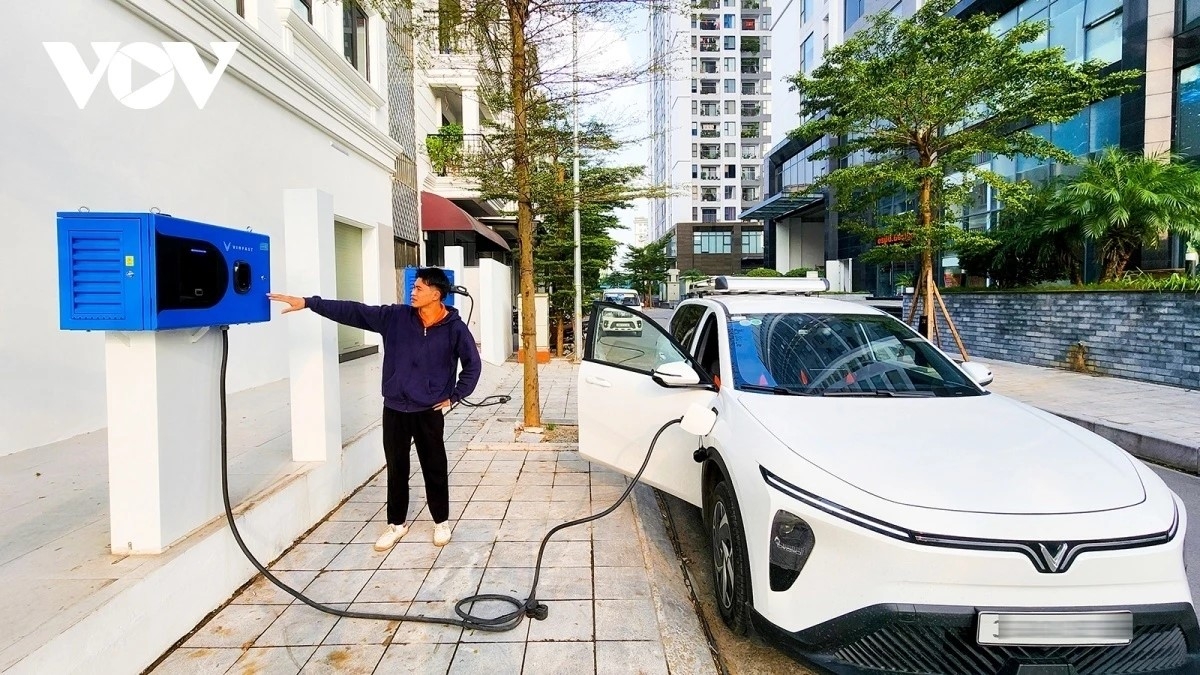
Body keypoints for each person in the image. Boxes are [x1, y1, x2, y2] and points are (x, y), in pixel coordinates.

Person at [267, 268, 481, 551]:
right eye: (413, 287)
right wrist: (309, 302)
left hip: (429, 410)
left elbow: (473, 364)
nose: (412, 292)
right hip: (394, 408)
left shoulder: (454, 328)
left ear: (436, 294)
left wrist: (454, 396)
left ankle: (441, 521)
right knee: (396, 469)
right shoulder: (396, 318)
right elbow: (354, 311)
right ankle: (396, 524)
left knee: (435, 467)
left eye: (418, 288)